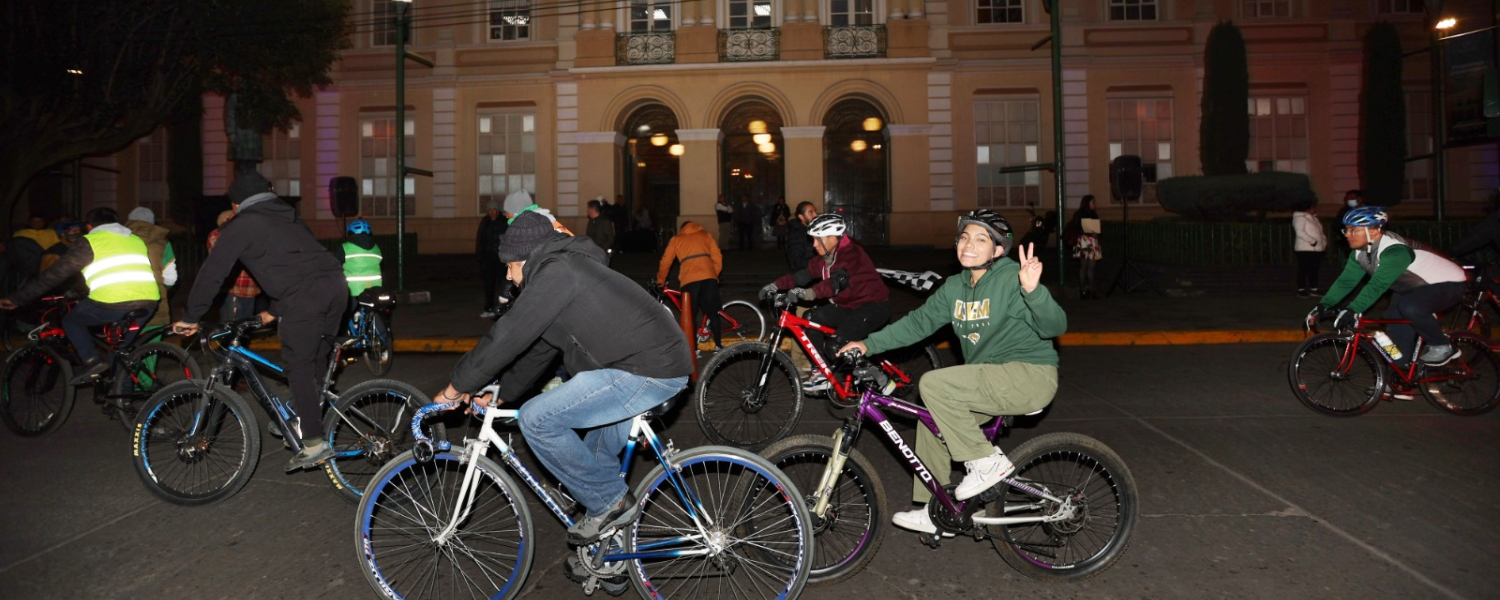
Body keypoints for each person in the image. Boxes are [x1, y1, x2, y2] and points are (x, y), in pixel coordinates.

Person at [434, 211, 692, 550]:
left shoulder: (557, 272)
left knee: (536, 419)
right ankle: (606, 559)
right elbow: (540, 349)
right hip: (643, 365)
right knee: (594, 464)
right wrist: (502, 393)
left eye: (510, 267)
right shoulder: (563, 270)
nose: (510, 278)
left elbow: (507, 336)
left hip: (647, 369)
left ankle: (612, 503)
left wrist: (455, 387)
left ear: (523, 258)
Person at [837, 209, 1064, 535]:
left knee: (934, 383)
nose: (968, 244)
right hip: (988, 379)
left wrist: (1033, 291)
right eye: (964, 237)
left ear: (998, 251)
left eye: (981, 239)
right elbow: (917, 324)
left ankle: (986, 463)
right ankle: (936, 509)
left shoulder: (1012, 279)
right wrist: (866, 345)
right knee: (931, 419)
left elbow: (1056, 325)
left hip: (1028, 376)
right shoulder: (954, 288)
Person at [173, 170, 348, 472]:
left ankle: (315, 442)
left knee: (299, 365)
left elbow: (213, 273)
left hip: (303, 297)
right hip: (336, 288)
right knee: (318, 357)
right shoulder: (290, 218)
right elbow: (296, 264)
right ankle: (300, 411)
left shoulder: (242, 224)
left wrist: (191, 316)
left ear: (237, 204)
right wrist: (275, 309)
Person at [1315, 207, 1467, 399]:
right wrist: (1324, 304)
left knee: (1411, 307)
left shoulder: (1395, 250)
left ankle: (1442, 345)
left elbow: (1378, 285)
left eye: (1354, 230)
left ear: (1375, 231)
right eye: (1346, 230)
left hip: (1448, 283)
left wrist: (1353, 309)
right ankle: (1400, 378)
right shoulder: (1360, 252)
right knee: (1392, 320)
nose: (1348, 235)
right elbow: (1346, 281)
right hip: (1413, 288)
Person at [0, 208, 160, 384]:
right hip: (148, 302)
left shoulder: (91, 241)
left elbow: (54, 275)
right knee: (120, 350)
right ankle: (123, 402)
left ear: (89, 226)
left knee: (71, 320)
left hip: (113, 303)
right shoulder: (135, 240)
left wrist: (18, 298)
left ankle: (92, 361)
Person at [759, 213, 890, 393]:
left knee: (835, 345)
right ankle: (822, 371)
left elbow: (834, 284)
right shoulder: (824, 258)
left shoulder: (851, 254)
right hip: (848, 306)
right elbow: (802, 275)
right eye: (812, 239)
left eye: (817, 239)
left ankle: (878, 377)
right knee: (811, 319)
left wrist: (807, 293)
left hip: (872, 306)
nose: (813, 245)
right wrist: (775, 285)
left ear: (832, 238)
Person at [657, 221, 724, 351]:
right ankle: (718, 345)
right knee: (713, 313)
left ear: (682, 229)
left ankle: (694, 349)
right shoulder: (705, 235)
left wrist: (661, 280)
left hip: (689, 279)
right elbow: (717, 256)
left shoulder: (677, 239)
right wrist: (713, 273)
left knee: (690, 315)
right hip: (708, 276)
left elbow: (666, 261)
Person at [124, 207, 178, 328]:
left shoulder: (117, 241)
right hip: (153, 303)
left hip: (123, 301)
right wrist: (163, 288)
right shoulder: (163, 244)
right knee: (152, 343)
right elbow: (171, 278)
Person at [208, 210, 261, 322]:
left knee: (233, 325)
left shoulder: (216, 235)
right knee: (240, 324)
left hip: (235, 287)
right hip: (242, 286)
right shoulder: (250, 232)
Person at [1064, 195, 1102, 299]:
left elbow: (1098, 227)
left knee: (1091, 267)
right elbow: (1076, 228)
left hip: (1092, 241)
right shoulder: (1080, 214)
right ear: (1087, 203)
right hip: (1084, 241)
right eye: (1093, 202)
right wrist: (1089, 233)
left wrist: (1097, 233)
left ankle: (1090, 289)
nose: (1094, 204)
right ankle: (1084, 290)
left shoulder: (1093, 214)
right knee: (1084, 266)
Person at [477, 199, 509, 319]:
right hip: (488, 258)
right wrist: (480, 256)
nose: (492, 212)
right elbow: (480, 239)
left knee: (502, 285)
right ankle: (489, 308)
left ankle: (501, 308)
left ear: (497, 210)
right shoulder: (485, 222)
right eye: (490, 210)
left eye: (494, 209)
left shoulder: (503, 222)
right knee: (488, 285)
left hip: (500, 258)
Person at [335, 218, 383, 296]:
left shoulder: (345, 248)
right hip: (375, 290)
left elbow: (334, 266)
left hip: (353, 291)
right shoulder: (376, 248)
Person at [1291, 200, 1327, 298]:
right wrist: (1313, 241)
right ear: (1307, 208)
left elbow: (1320, 233)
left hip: (1316, 249)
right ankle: (1301, 289)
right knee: (1304, 269)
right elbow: (1300, 232)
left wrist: (1323, 243)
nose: (1315, 209)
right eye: (1313, 207)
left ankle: (1314, 289)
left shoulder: (1314, 219)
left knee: (1314, 269)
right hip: (1305, 248)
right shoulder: (1300, 218)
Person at [784, 201, 817, 271]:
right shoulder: (795, 235)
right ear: (801, 217)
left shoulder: (814, 231)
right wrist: (819, 263)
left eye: (815, 211)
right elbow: (797, 261)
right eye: (810, 212)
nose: (815, 215)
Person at [1333, 189, 1362, 258]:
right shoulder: (1344, 211)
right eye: (1347, 199)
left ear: (1359, 199)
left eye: (1352, 198)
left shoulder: (1368, 209)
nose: (1349, 200)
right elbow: (1338, 225)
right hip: (1349, 241)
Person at [586, 200, 616, 264]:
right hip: (592, 252)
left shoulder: (605, 221)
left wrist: (601, 249)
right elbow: (588, 235)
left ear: (592, 209)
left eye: (588, 209)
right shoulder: (591, 222)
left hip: (601, 253)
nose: (587, 211)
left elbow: (610, 239)